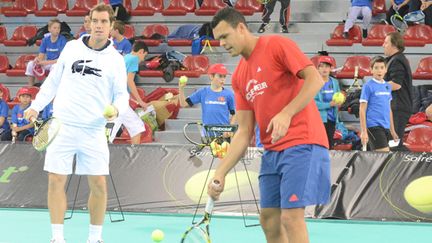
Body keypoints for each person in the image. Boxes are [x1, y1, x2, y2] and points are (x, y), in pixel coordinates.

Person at [207, 8, 330, 243]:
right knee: (268, 219)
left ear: (241, 28)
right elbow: (244, 131)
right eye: (218, 39)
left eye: (225, 36)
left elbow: (315, 79)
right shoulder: (239, 76)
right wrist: (220, 173)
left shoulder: (276, 45)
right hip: (272, 152)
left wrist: (286, 113)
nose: (221, 43)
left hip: (302, 142)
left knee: (291, 218)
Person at [24, 3, 129, 243]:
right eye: (96, 21)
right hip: (63, 126)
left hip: (93, 130)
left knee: (99, 184)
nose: (99, 25)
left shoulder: (116, 60)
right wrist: (35, 106)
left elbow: (122, 95)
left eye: (104, 22)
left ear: (112, 26)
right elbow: (52, 82)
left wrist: (116, 109)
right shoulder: (71, 48)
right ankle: (57, 238)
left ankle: (95, 238)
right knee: (56, 180)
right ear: (89, 23)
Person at [110, 41, 149, 144]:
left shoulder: (126, 57)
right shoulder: (134, 59)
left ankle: (135, 153)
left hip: (115, 98)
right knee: (110, 132)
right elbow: (130, 81)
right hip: (118, 102)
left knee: (137, 126)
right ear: (141, 52)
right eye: (144, 56)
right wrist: (140, 101)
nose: (143, 60)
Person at [359, 56, 398, 152]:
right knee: (385, 156)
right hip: (373, 126)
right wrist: (364, 131)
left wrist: (392, 130)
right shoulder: (367, 86)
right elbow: (362, 109)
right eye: (376, 68)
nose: (379, 71)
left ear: (386, 70)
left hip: (386, 126)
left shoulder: (387, 86)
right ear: (371, 70)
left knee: (380, 160)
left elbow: (389, 109)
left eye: (382, 67)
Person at [383, 32, 413, 150]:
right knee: (393, 143)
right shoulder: (395, 59)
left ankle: (413, 164)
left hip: (398, 107)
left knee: (393, 144)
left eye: (386, 42)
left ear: (394, 45)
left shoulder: (397, 61)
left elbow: (396, 84)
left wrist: (377, 87)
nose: (383, 45)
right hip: (396, 107)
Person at [25, 18, 67, 86]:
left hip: (58, 64)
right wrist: (37, 60)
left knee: (55, 67)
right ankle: (30, 86)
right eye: (55, 28)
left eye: (58, 28)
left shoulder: (62, 40)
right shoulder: (45, 40)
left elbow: (61, 59)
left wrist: (45, 62)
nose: (57, 30)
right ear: (49, 29)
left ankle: (52, 87)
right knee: (30, 64)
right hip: (48, 63)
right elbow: (41, 56)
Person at [314, 56, 342, 149]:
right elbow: (313, 103)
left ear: (331, 68)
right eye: (321, 66)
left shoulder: (334, 82)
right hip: (320, 120)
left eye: (327, 66)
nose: (324, 69)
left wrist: (339, 102)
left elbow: (338, 96)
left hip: (332, 119)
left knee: (330, 146)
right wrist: (329, 104)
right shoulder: (314, 82)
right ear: (318, 69)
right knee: (321, 145)